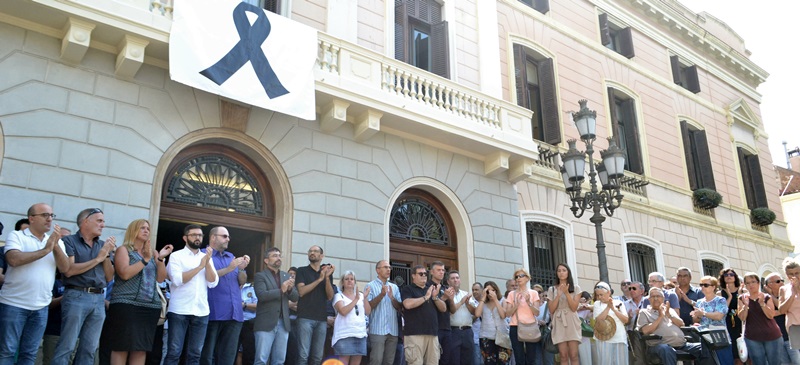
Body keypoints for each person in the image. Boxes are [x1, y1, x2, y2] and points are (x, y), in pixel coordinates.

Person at [0, 204, 69, 364]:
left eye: (52, 215)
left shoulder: (56, 242)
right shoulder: (17, 236)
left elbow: (65, 268)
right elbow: (14, 259)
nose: (49, 219)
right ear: (31, 218)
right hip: (13, 304)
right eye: (45, 215)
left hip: (41, 307)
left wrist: (55, 246)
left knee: (29, 353)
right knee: (7, 351)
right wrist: (45, 250)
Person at [53, 208, 117, 365]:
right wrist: (98, 258)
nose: (103, 225)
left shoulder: (102, 245)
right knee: (66, 346)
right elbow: (69, 270)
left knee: (89, 349)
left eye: (103, 221)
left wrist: (106, 255)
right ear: (85, 221)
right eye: (99, 220)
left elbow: (109, 277)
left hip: (98, 298)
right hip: (76, 295)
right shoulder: (68, 241)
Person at [108, 219, 173, 365]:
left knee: (141, 348)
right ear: (133, 231)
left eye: (148, 229)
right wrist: (145, 260)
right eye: (142, 228)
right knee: (121, 346)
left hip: (149, 307)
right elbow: (124, 273)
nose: (146, 231)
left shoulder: (152, 252)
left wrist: (160, 258)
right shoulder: (123, 250)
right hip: (126, 305)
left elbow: (161, 278)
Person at [164, 224, 219, 365]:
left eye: (200, 235)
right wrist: (200, 266)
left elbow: (213, 282)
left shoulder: (207, 257)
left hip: (201, 311)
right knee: (174, 352)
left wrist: (206, 263)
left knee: (195, 354)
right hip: (179, 310)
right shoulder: (176, 256)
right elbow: (177, 280)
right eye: (194, 235)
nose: (197, 238)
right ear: (185, 238)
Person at [201, 226, 251, 365]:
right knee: (207, 356)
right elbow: (207, 278)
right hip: (212, 313)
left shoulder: (231, 257)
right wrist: (230, 268)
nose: (228, 239)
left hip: (234, 313)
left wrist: (242, 269)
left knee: (228, 357)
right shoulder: (203, 254)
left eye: (228, 236)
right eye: (224, 236)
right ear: (213, 237)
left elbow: (241, 281)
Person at [253, 247, 298, 365]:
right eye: (274, 255)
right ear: (266, 260)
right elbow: (262, 295)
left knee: (279, 361)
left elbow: (295, 297)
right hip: (266, 323)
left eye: (279, 255)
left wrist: (289, 290)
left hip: (284, 323)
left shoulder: (286, 275)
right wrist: (281, 290)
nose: (278, 258)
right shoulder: (260, 276)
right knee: (261, 360)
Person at [636, 287, 703, 365]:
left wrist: (668, 315)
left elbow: (681, 324)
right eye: (653, 296)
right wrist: (660, 316)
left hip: (681, 344)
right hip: (659, 346)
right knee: (666, 349)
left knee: (703, 348)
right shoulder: (644, 312)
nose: (656, 298)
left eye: (658, 296)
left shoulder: (670, 310)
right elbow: (645, 331)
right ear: (649, 299)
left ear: (663, 298)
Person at [295, 245, 336, 365]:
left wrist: (327, 278)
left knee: (317, 357)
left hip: (321, 319)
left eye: (315, 251)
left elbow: (330, 296)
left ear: (321, 256)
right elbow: (301, 292)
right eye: (310, 251)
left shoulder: (326, 273)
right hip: (305, 318)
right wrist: (319, 279)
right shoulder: (301, 270)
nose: (312, 253)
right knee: (303, 356)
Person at [401, 264, 447, 365]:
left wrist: (435, 297)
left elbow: (443, 308)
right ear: (413, 276)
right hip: (414, 334)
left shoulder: (431, 289)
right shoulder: (408, 289)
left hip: (432, 334)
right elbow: (407, 304)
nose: (423, 276)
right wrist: (426, 297)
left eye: (425, 274)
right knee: (415, 363)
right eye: (420, 274)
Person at [738, 272, 782, 365]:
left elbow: (770, 315)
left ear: (758, 283)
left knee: (775, 362)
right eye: (748, 283)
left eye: (753, 282)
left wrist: (762, 303)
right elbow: (742, 318)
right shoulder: (742, 298)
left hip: (772, 336)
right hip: (752, 337)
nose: (751, 285)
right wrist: (745, 306)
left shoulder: (766, 297)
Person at [690, 275, 734, 365]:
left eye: (705, 285)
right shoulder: (699, 302)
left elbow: (719, 316)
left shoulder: (720, 300)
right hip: (706, 339)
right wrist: (696, 315)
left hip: (720, 339)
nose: (702, 287)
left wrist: (703, 313)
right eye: (701, 285)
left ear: (713, 287)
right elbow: (696, 320)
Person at [365, 259, 402, 365]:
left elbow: (399, 307)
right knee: (376, 360)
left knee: (389, 362)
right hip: (377, 330)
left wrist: (392, 298)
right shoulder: (370, 286)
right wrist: (381, 295)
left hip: (393, 331)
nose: (388, 269)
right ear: (378, 270)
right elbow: (368, 307)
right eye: (385, 267)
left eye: (389, 267)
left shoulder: (394, 287)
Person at [332, 271, 371, 364]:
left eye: (352, 279)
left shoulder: (360, 295)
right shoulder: (338, 296)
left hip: (360, 334)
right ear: (342, 282)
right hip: (344, 334)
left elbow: (368, 311)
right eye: (347, 279)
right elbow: (343, 311)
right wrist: (356, 300)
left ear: (355, 282)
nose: (349, 281)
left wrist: (364, 297)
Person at [504, 268, 540, 365]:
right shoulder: (512, 294)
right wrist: (516, 304)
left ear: (527, 278)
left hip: (531, 326)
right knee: (519, 358)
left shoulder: (533, 293)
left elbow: (537, 313)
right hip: (515, 326)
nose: (518, 278)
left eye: (521, 276)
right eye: (516, 277)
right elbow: (507, 313)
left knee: (531, 358)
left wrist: (529, 303)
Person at [548, 263, 581, 365]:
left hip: (571, 320)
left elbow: (574, 307)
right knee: (563, 355)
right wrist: (558, 295)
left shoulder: (576, 288)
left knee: (574, 354)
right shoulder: (552, 289)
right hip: (559, 321)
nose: (561, 273)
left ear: (568, 272)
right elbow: (551, 310)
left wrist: (566, 293)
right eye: (559, 271)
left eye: (564, 270)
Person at [427, 261, 456, 365]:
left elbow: (452, 310)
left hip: (447, 328)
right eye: (438, 270)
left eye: (443, 270)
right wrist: (444, 298)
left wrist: (451, 299)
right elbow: (430, 306)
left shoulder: (445, 288)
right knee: (433, 359)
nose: (441, 272)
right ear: (432, 272)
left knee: (446, 360)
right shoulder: (427, 286)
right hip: (433, 328)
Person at [476, 280, 511, 365]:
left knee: (503, 362)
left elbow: (503, 315)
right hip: (486, 336)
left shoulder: (503, 301)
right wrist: (483, 298)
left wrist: (495, 300)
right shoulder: (483, 303)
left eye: (493, 290)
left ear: (496, 290)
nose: (491, 293)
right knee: (489, 362)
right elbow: (477, 314)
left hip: (501, 336)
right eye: (488, 291)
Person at [592, 282, 628, 364]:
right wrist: (608, 307)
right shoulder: (597, 304)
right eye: (598, 295)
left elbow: (625, 320)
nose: (599, 297)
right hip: (603, 338)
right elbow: (598, 320)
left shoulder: (619, 302)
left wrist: (614, 309)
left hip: (619, 338)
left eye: (601, 295)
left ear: (609, 292)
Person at [447, 270, 476, 365]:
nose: (455, 280)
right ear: (448, 281)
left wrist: (467, 304)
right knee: (454, 360)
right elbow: (451, 311)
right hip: (454, 331)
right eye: (452, 278)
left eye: (457, 278)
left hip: (467, 331)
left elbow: (474, 312)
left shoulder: (466, 294)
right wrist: (462, 302)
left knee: (468, 360)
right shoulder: (446, 295)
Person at [719, 268, 745, 365]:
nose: (729, 276)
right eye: (726, 275)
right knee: (736, 354)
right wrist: (729, 296)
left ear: (735, 277)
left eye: (731, 274)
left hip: (742, 323)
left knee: (747, 353)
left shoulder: (742, 290)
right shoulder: (720, 294)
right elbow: (723, 311)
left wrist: (740, 295)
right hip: (728, 324)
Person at [779, 258, 800, 364]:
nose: (794, 276)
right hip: (794, 328)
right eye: (790, 274)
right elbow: (782, 310)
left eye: (797, 273)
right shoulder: (783, 289)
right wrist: (792, 294)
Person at [238, 280, 258, 365]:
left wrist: (244, 304)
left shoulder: (251, 288)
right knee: (232, 351)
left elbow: (258, 305)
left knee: (249, 352)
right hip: (233, 322)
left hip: (248, 323)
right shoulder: (230, 287)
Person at [576, 291, 593, 365]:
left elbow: (592, 315)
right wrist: (578, 306)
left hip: (584, 337)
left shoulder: (587, 308)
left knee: (586, 360)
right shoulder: (573, 306)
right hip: (572, 337)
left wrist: (588, 305)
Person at [471, 282, 485, 365]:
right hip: (476, 339)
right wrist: (477, 313)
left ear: (482, 290)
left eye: (476, 290)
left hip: (488, 338)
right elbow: (470, 321)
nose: (474, 292)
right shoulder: (470, 303)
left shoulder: (487, 303)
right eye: (473, 290)